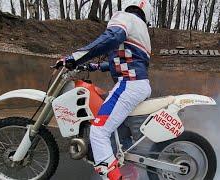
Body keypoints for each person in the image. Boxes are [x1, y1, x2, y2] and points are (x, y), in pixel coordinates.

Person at [57, 1, 152, 179]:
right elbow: (127, 60)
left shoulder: (125, 18)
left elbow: (111, 38)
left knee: (99, 131)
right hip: (138, 84)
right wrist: (94, 66)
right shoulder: (143, 31)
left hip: (128, 85)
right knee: (120, 134)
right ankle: (129, 171)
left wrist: (74, 58)